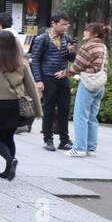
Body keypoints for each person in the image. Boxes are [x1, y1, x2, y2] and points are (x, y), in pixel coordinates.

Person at [0, 30, 42, 181]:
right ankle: (8, 170)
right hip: (15, 104)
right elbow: (31, 86)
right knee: (9, 137)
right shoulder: (22, 62)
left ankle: (10, 160)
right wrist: (38, 110)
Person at [30, 12, 77, 151]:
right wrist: (38, 80)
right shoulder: (42, 39)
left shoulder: (67, 38)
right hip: (48, 77)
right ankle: (48, 139)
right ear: (53, 24)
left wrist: (71, 52)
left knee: (64, 109)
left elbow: (72, 59)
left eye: (66, 25)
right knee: (49, 109)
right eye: (63, 24)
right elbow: (35, 61)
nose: (65, 27)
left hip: (63, 78)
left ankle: (64, 140)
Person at [63, 22, 110, 157]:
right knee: (92, 117)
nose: (84, 32)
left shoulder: (88, 46)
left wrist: (65, 72)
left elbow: (78, 66)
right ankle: (91, 148)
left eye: (86, 30)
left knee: (80, 116)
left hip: (87, 83)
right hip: (99, 83)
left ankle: (79, 148)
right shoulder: (102, 46)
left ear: (94, 34)